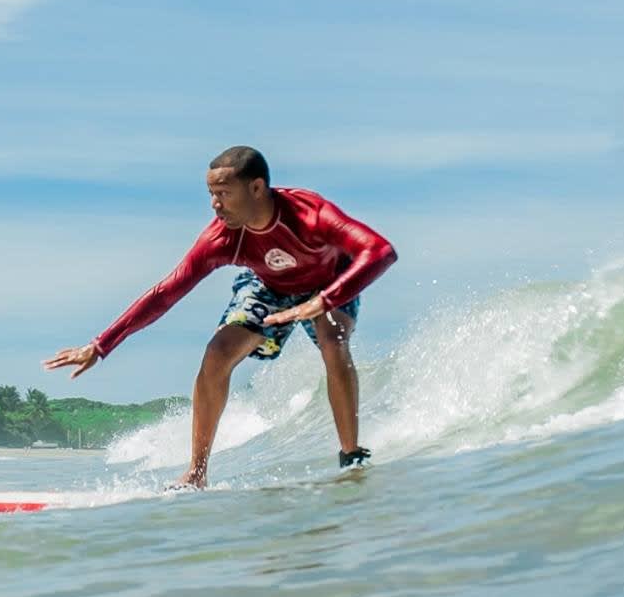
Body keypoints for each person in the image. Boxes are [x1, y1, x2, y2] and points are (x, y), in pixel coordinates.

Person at [45, 146, 397, 488]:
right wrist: (101, 345)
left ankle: (351, 455)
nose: (215, 204)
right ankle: (196, 473)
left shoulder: (310, 215)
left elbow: (380, 250)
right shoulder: (222, 238)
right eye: (211, 193)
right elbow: (166, 293)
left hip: (330, 280)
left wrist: (325, 299)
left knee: (332, 340)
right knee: (217, 354)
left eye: (224, 193)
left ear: (257, 188)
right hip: (268, 286)